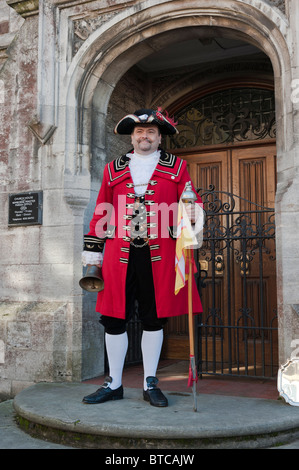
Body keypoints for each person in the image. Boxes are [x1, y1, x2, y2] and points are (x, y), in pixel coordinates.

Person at [81, 108, 203, 407]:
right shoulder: (113, 170)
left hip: (159, 254)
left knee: (153, 318)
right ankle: (114, 383)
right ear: (132, 137)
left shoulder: (177, 167)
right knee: (113, 319)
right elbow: (101, 211)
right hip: (118, 255)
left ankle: (150, 382)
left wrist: (191, 212)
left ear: (159, 138)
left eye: (150, 132)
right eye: (139, 132)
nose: (144, 136)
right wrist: (93, 259)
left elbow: (191, 201)